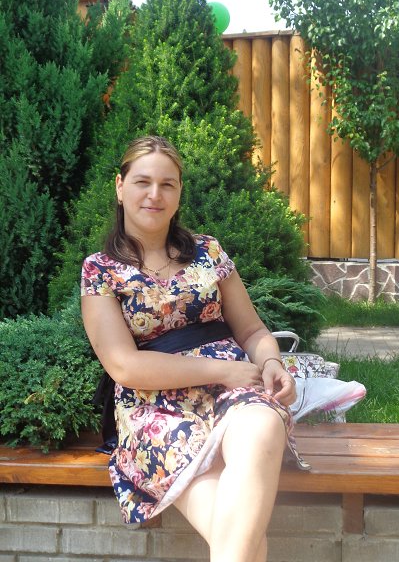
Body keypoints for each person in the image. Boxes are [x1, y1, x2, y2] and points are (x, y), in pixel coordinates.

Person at [80, 135, 309, 562]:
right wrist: (221, 370)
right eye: (143, 182)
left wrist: (271, 361)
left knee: (262, 426)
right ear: (120, 187)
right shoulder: (101, 270)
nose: (155, 194)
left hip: (234, 391)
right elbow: (124, 366)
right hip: (155, 409)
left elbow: (251, 329)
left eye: (167, 184)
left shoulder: (208, 252)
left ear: (179, 192)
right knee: (241, 533)